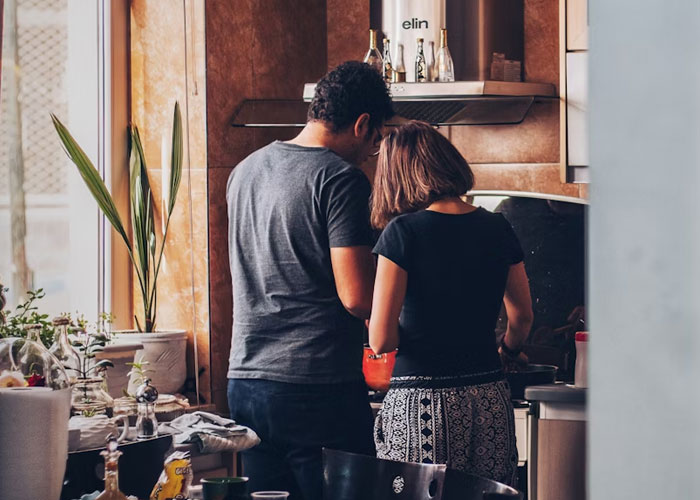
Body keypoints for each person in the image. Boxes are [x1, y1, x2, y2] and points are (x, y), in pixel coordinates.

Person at [226, 61, 394, 500]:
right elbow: (357, 298)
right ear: (362, 124)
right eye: (375, 141)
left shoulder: (243, 171)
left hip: (245, 382)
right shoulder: (340, 179)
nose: (371, 153)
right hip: (315, 388)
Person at [368, 121, 533, 486]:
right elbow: (521, 316)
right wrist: (507, 350)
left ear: (397, 176)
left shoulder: (403, 233)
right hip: (489, 396)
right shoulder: (497, 227)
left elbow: (381, 341)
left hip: (422, 405)